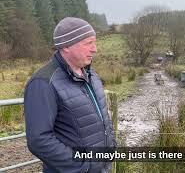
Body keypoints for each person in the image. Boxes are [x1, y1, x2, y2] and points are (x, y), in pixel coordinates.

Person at [24, 17, 116, 173]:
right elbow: (39, 140)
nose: (95, 49)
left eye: (94, 42)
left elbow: (102, 118)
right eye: (88, 43)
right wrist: (83, 166)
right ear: (66, 46)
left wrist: (111, 146)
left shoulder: (91, 75)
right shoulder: (43, 83)